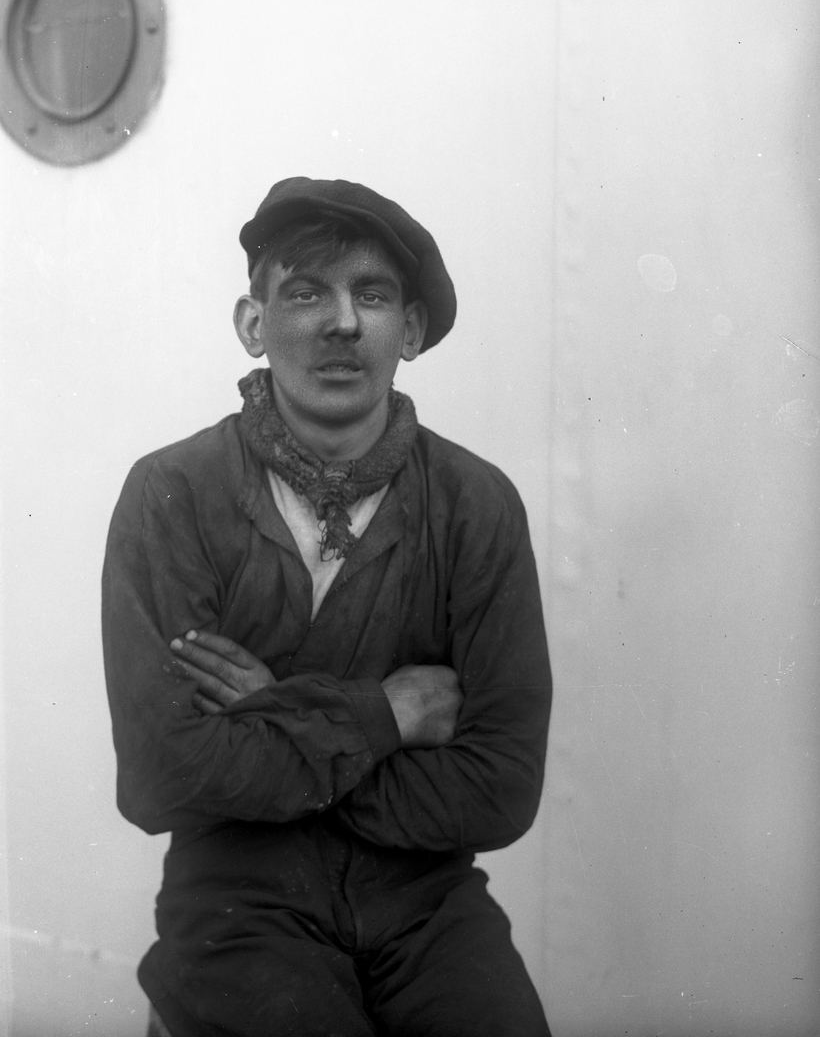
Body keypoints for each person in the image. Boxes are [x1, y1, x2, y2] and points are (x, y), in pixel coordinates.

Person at [102, 176, 554, 1037]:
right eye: (306, 292)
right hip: (239, 901)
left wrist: (273, 712)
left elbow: (501, 790)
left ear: (409, 330)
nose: (343, 321)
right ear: (253, 323)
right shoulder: (174, 492)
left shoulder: (476, 504)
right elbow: (161, 780)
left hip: (427, 904)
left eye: (372, 295)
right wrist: (386, 714)